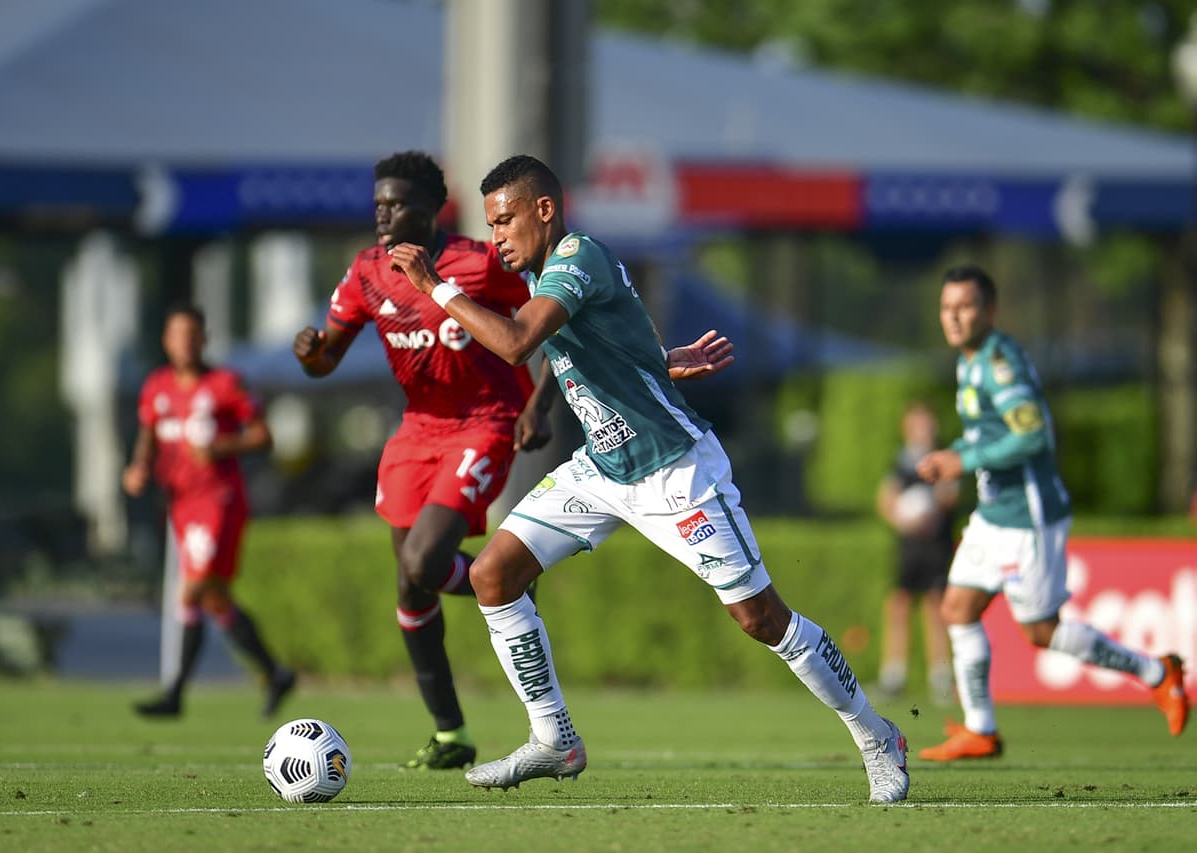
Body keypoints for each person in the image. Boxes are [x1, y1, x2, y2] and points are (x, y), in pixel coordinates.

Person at [388, 154, 910, 804]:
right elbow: (603, 342)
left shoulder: (578, 256)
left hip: (674, 471)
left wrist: (434, 284)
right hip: (600, 472)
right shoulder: (547, 272)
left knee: (760, 617)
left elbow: (519, 342)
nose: (496, 236)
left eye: (504, 220)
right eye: (489, 224)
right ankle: (554, 737)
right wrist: (654, 365)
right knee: (494, 575)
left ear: (544, 210)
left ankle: (876, 733)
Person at [293, 151, 557, 770]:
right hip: (416, 432)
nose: (384, 216)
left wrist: (540, 406)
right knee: (412, 585)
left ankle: (506, 581)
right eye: (379, 204)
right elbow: (325, 359)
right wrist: (310, 353)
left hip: (485, 424)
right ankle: (450, 732)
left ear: (431, 208)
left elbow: (555, 328)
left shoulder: (480, 262)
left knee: (422, 560)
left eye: (398, 205)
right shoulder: (365, 272)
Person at [915, 264, 1189, 760]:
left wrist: (964, 460)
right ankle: (981, 729)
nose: (954, 317)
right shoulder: (969, 361)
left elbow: (1033, 434)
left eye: (965, 307)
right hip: (994, 517)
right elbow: (988, 436)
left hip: (1030, 520)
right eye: (946, 308)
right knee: (957, 608)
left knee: (1042, 633)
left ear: (990, 311)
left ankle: (1157, 672)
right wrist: (953, 454)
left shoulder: (1002, 365)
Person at [124, 304, 296, 719]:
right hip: (180, 503)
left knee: (194, 589)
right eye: (176, 334)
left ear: (204, 339)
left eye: (192, 334)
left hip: (218, 500)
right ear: (166, 341)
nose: (184, 342)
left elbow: (262, 435)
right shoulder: (157, 387)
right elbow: (148, 434)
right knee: (217, 601)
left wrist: (219, 447)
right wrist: (140, 466)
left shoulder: (225, 384)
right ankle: (275, 674)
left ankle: (174, 695)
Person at [874, 401, 956, 703]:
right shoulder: (900, 460)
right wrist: (901, 517)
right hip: (909, 545)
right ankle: (893, 676)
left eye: (925, 422)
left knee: (937, 607)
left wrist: (929, 510)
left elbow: (950, 494)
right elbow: (886, 498)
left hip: (936, 544)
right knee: (899, 604)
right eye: (915, 423)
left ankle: (941, 678)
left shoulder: (944, 458)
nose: (921, 428)